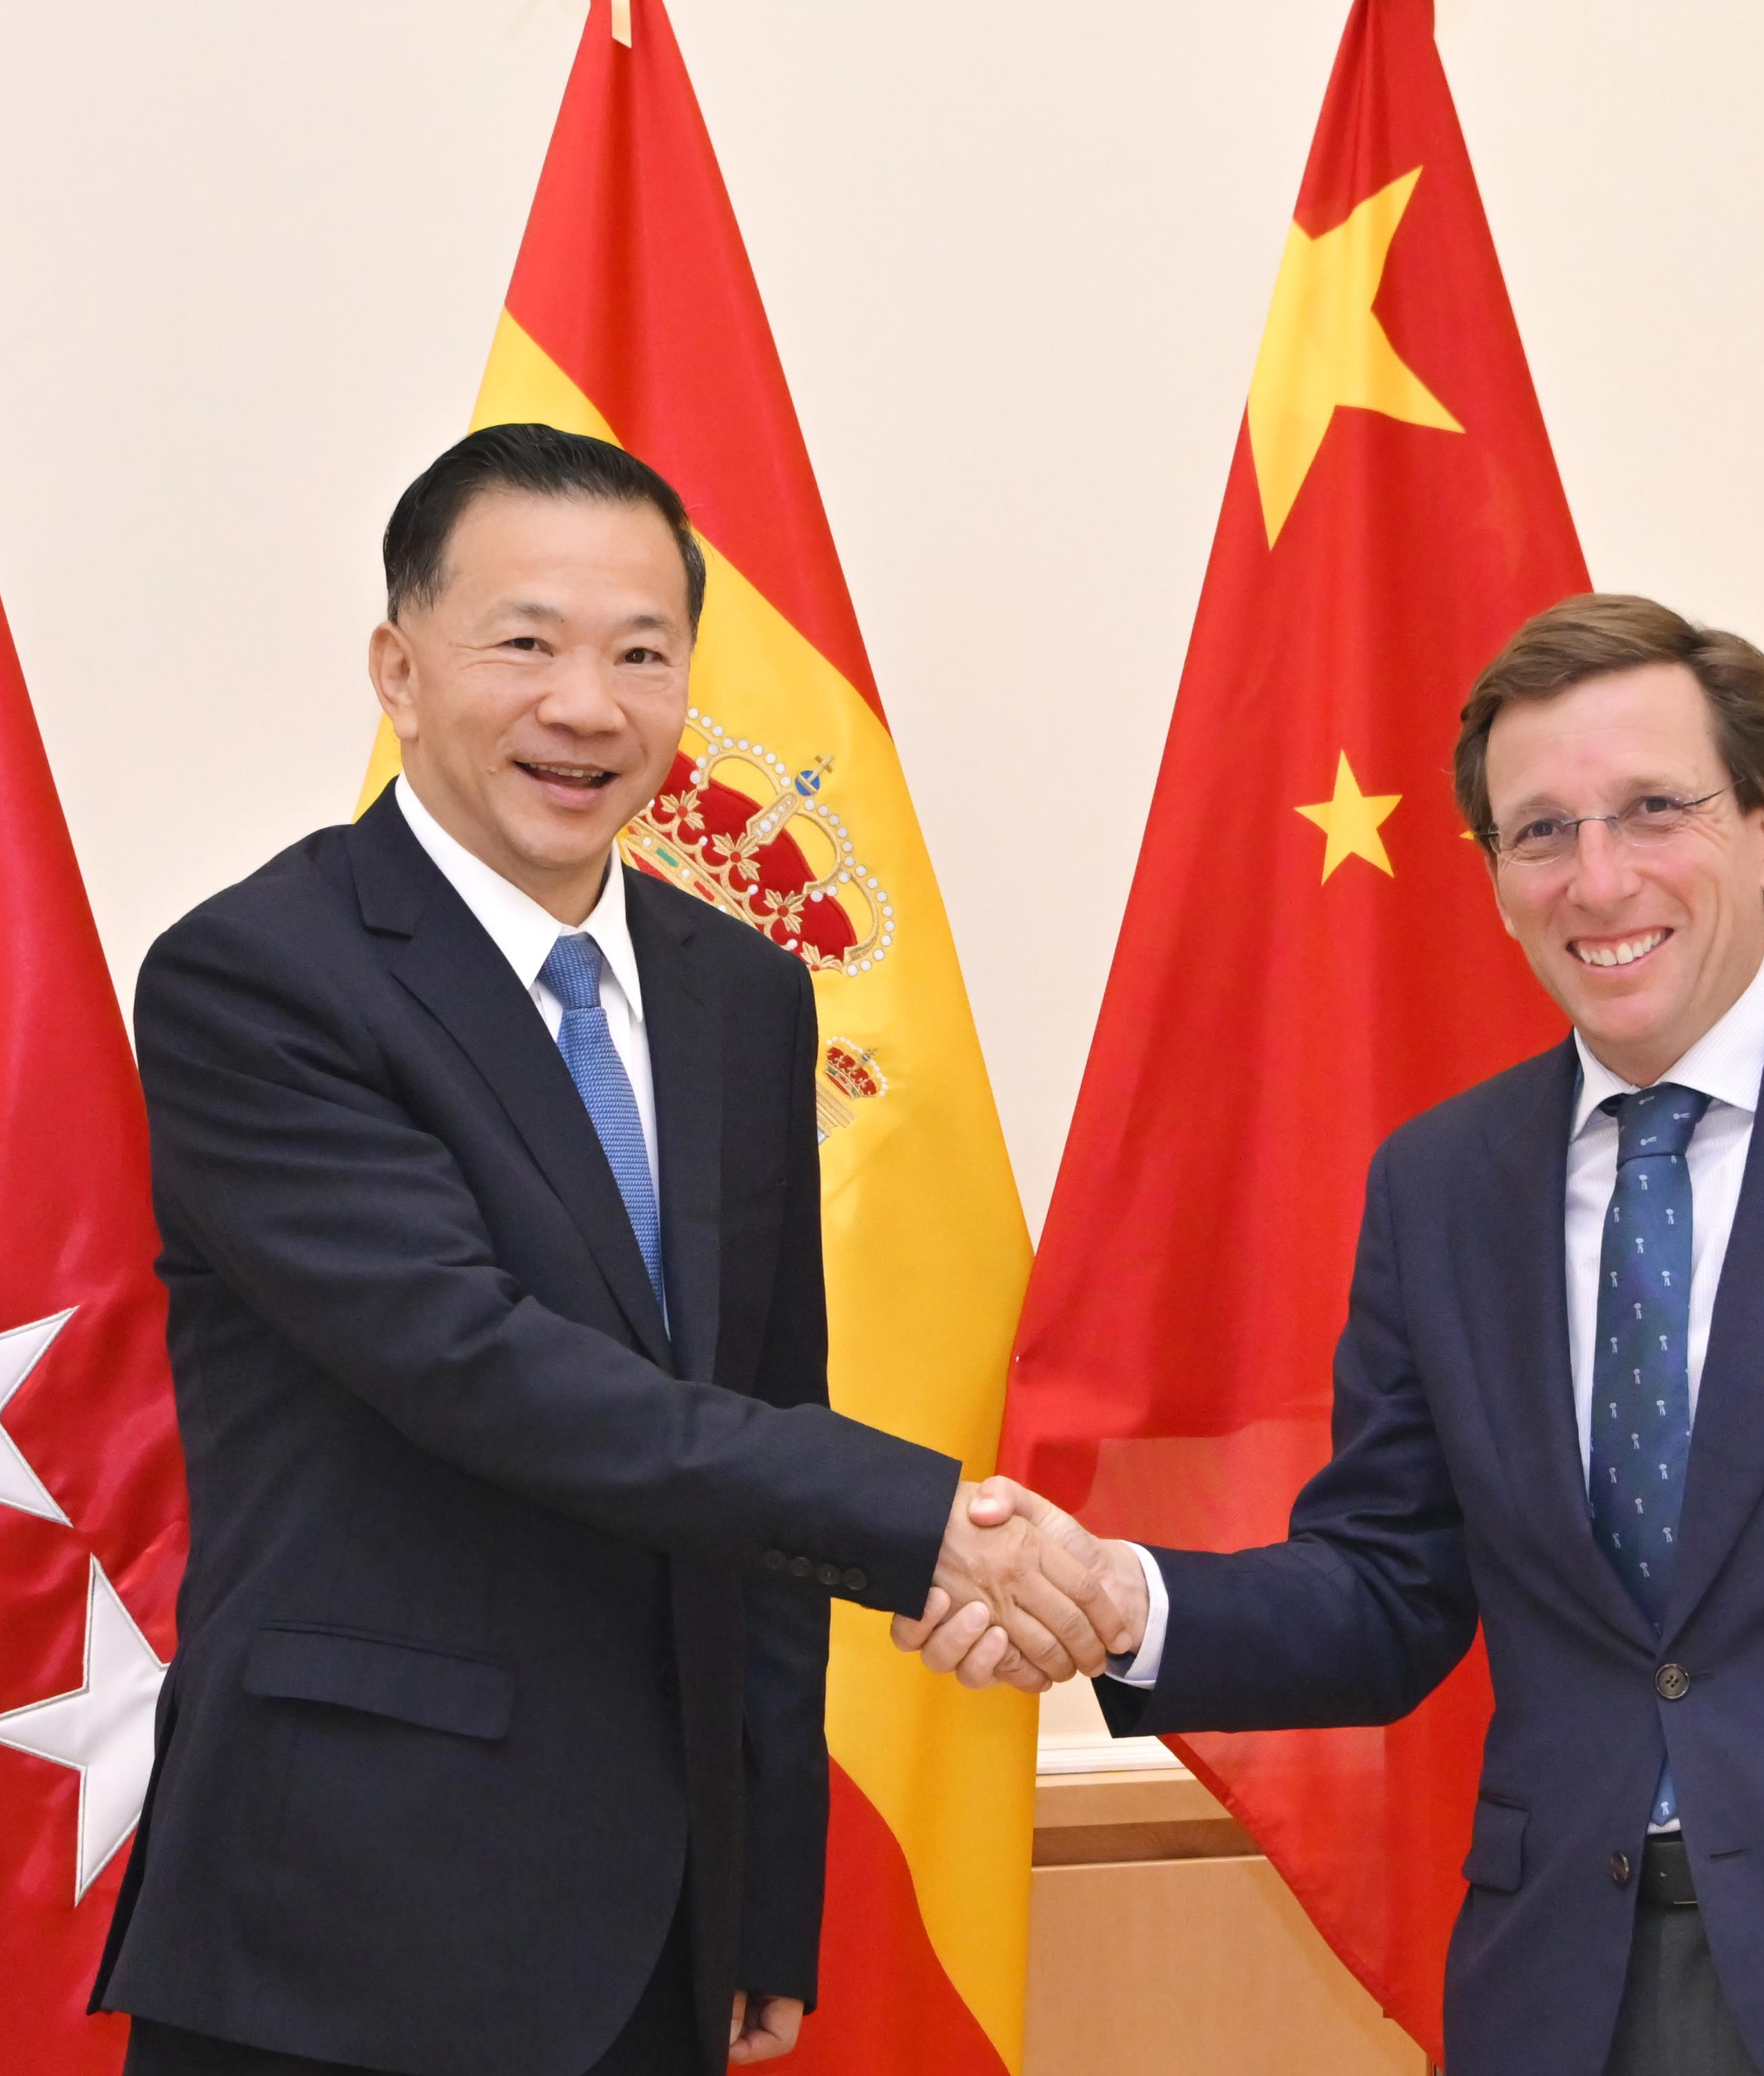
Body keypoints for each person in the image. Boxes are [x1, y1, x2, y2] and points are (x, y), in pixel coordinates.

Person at [906, 595, 1764, 2076]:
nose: (1597, 879)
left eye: (1652, 810)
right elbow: (1387, 1589)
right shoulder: (1442, 1184)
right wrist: (1116, 1596)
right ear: (1493, 875)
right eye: (1539, 832)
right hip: (1561, 1989)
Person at [96, 425, 1131, 2076]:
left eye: (642, 654)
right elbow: (483, 1367)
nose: (587, 705)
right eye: (525, 642)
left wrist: (764, 1878)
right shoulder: (258, 979)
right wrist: (926, 1518)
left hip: (659, 1924)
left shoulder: (735, 992)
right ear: (400, 667)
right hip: (348, 1916)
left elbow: (765, 1403)